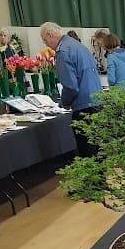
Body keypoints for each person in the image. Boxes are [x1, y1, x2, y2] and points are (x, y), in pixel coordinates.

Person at [39, 21, 103, 157]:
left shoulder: (62, 51)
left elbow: (71, 86)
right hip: (97, 101)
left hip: (83, 106)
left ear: (50, 35)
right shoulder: (78, 46)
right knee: (98, 151)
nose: (46, 45)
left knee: (87, 153)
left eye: (45, 40)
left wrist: (64, 102)